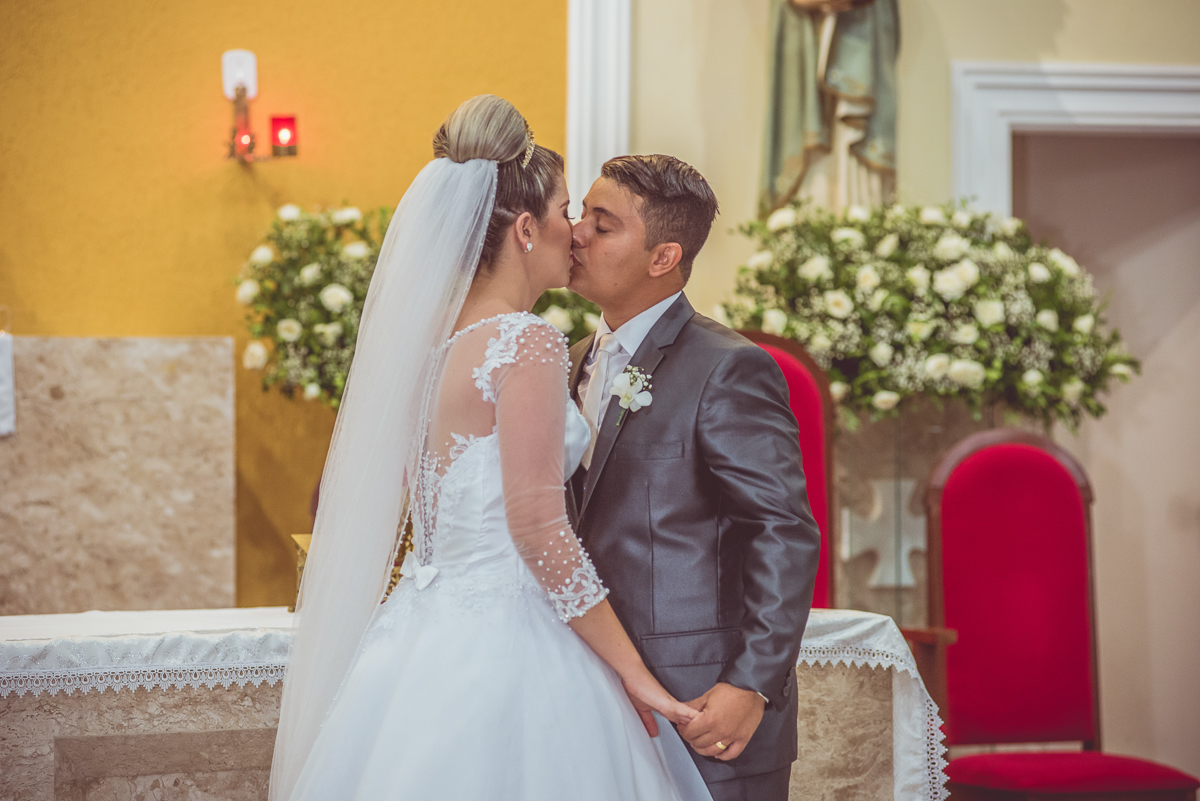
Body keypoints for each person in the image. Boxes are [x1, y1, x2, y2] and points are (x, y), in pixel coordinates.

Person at [268, 95, 713, 801]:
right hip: (510, 637)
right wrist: (633, 672)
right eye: (567, 211)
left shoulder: (430, 348)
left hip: (419, 636)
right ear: (526, 230)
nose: (577, 232)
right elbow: (537, 527)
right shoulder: (524, 341)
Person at [567, 154, 821, 801]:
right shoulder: (564, 363)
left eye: (602, 224)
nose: (576, 233)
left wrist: (750, 684)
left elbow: (782, 531)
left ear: (663, 257)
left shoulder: (728, 367)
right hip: (580, 691)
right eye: (579, 215)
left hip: (702, 704)